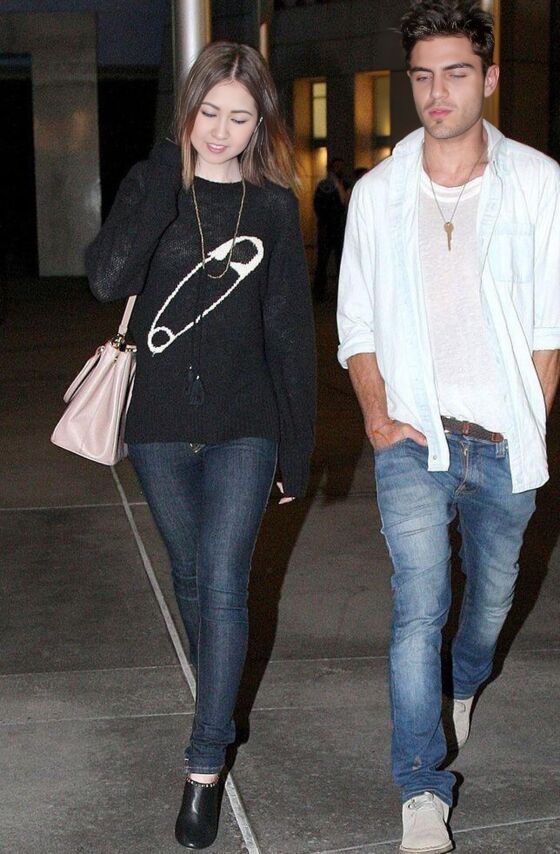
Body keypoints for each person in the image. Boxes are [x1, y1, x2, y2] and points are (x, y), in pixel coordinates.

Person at [337, 2, 560, 851]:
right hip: (415, 439)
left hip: (505, 439)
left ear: (489, 78)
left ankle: (465, 682)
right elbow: (356, 322)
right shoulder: (379, 194)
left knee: (491, 602)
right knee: (418, 608)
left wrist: (527, 429)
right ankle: (420, 788)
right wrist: (377, 416)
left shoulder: (540, 186)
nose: (436, 92)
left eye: (455, 73)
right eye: (422, 76)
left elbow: (552, 331)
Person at [86, 42, 316, 850]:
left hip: (244, 426)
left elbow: (289, 334)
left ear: (261, 125)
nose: (221, 131)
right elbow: (107, 279)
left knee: (222, 584)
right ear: (188, 111)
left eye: (239, 117)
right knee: (190, 579)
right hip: (157, 427)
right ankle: (220, 695)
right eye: (209, 112)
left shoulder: (274, 208)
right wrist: (164, 181)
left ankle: (204, 761)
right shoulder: (154, 182)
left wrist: (297, 449)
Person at [313, 156, 348, 301]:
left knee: (341, 261)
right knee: (323, 261)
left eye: (341, 166)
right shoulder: (325, 185)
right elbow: (319, 205)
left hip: (338, 228)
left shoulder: (343, 183)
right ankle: (319, 291)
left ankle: (340, 292)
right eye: (337, 166)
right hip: (328, 228)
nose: (340, 169)